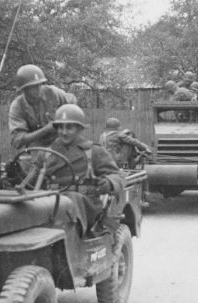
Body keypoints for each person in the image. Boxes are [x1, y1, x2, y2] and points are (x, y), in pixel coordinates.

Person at [29, 104, 125, 235]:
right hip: (51, 203)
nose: (64, 132)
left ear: (79, 128)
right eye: (60, 127)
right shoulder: (46, 153)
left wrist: (108, 182)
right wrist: (14, 176)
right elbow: (31, 182)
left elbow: (118, 176)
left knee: (70, 200)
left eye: (69, 127)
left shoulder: (93, 151)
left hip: (85, 206)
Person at [8, 64, 76, 150]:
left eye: (40, 84)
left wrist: (63, 120)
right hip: (36, 149)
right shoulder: (17, 106)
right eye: (33, 86)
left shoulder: (53, 93)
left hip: (61, 142)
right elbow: (17, 140)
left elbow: (72, 100)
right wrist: (46, 130)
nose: (38, 88)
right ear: (24, 89)